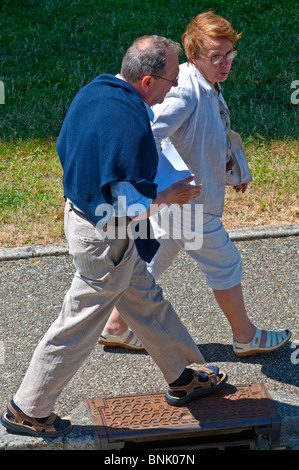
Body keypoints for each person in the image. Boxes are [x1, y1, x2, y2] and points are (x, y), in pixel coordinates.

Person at [0, 35, 228, 439]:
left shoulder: (96, 89)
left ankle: (181, 377)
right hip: (107, 237)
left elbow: (66, 146)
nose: (175, 86)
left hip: (84, 216)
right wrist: (171, 195)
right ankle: (28, 408)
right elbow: (127, 206)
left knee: (143, 297)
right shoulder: (130, 125)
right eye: (171, 79)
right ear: (146, 81)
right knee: (80, 320)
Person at [101, 13, 291, 357]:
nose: (224, 63)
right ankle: (245, 335)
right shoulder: (186, 90)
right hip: (190, 202)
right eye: (215, 56)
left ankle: (115, 326)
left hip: (184, 201)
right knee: (225, 262)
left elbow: (204, 132)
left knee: (154, 257)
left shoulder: (203, 83)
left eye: (229, 54)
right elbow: (146, 135)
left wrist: (229, 166)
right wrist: (170, 183)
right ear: (194, 55)